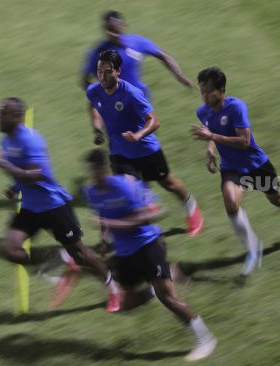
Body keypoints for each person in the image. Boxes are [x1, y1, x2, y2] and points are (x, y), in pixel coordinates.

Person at [0, 97, 121, 312]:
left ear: (17, 117)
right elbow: (20, 175)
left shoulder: (31, 140)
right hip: (30, 207)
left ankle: (113, 287)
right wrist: (14, 187)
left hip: (53, 206)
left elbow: (35, 176)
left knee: (82, 254)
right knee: (11, 250)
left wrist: (1, 163)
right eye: (0, 111)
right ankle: (56, 261)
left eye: (4, 113)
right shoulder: (6, 142)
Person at [82, 148, 217, 362]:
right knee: (124, 302)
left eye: (99, 169)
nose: (96, 173)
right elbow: (102, 216)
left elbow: (153, 213)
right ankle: (155, 288)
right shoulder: (90, 192)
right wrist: (104, 240)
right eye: (92, 170)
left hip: (148, 246)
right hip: (125, 254)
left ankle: (205, 339)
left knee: (169, 299)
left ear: (105, 168)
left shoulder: (125, 186)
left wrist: (113, 224)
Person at [190, 67, 280, 276]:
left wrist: (213, 138)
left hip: (255, 165)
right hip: (232, 168)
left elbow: (244, 142)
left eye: (208, 91)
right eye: (202, 91)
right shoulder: (203, 111)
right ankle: (253, 248)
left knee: (276, 200)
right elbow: (211, 133)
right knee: (230, 202)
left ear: (221, 90)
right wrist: (210, 150)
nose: (204, 96)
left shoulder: (236, 107)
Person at [86, 50, 203, 236]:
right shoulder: (94, 91)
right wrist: (97, 129)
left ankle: (191, 207)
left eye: (107, 71)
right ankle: (143, 222)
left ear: (118, 72)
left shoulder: (132, 93)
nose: (102, 76)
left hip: (145, 149)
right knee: (129, 189)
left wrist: (138, 135)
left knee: (169, 183)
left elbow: (154, 121)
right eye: (99, 71)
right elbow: (93, 105)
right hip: (119, 152)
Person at [80, 10, 196, 99]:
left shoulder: (137, 42)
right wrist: (100, 97)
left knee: (146, 128)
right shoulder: (98, 52)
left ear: (122, 25)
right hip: (114, 103)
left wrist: (180, 76)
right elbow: (84, 80)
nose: (112, 34)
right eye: (108, 30)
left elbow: (164, 56)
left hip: (138, 97)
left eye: (115, 30)